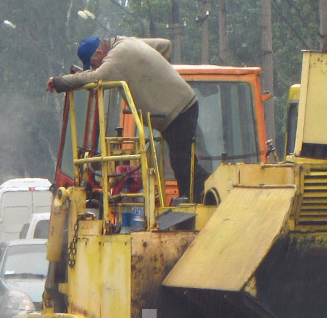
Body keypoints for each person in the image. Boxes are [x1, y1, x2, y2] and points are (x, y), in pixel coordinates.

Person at [46, 36, 209, 202]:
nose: (95, 68)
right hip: (179, 109)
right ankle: (197, 197)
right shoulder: (127, 43)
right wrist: (154, 79)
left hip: (179, 110)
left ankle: (207, 195)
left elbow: (95, 77)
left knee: (183, 164)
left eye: (94, 65)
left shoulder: (117, 57)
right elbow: (165, 46)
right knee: (182, 163)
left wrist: (59, 82)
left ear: (100, 53)